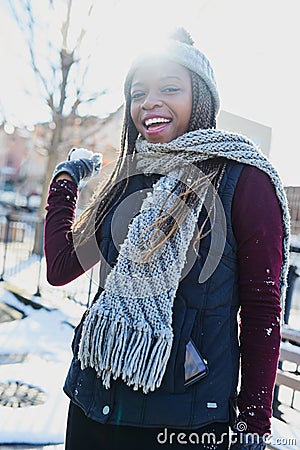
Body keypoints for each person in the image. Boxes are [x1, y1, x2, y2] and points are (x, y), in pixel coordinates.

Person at [44, 28, 290, 450]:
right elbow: (62, 268)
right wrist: (66, 180)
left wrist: (254, 424)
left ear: (202, 97)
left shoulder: (244, 179)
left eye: (169, 88)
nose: (149, 102)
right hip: (92, 404)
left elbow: (263, 310)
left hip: (185, 421)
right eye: (138, 93)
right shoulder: (129, 178)